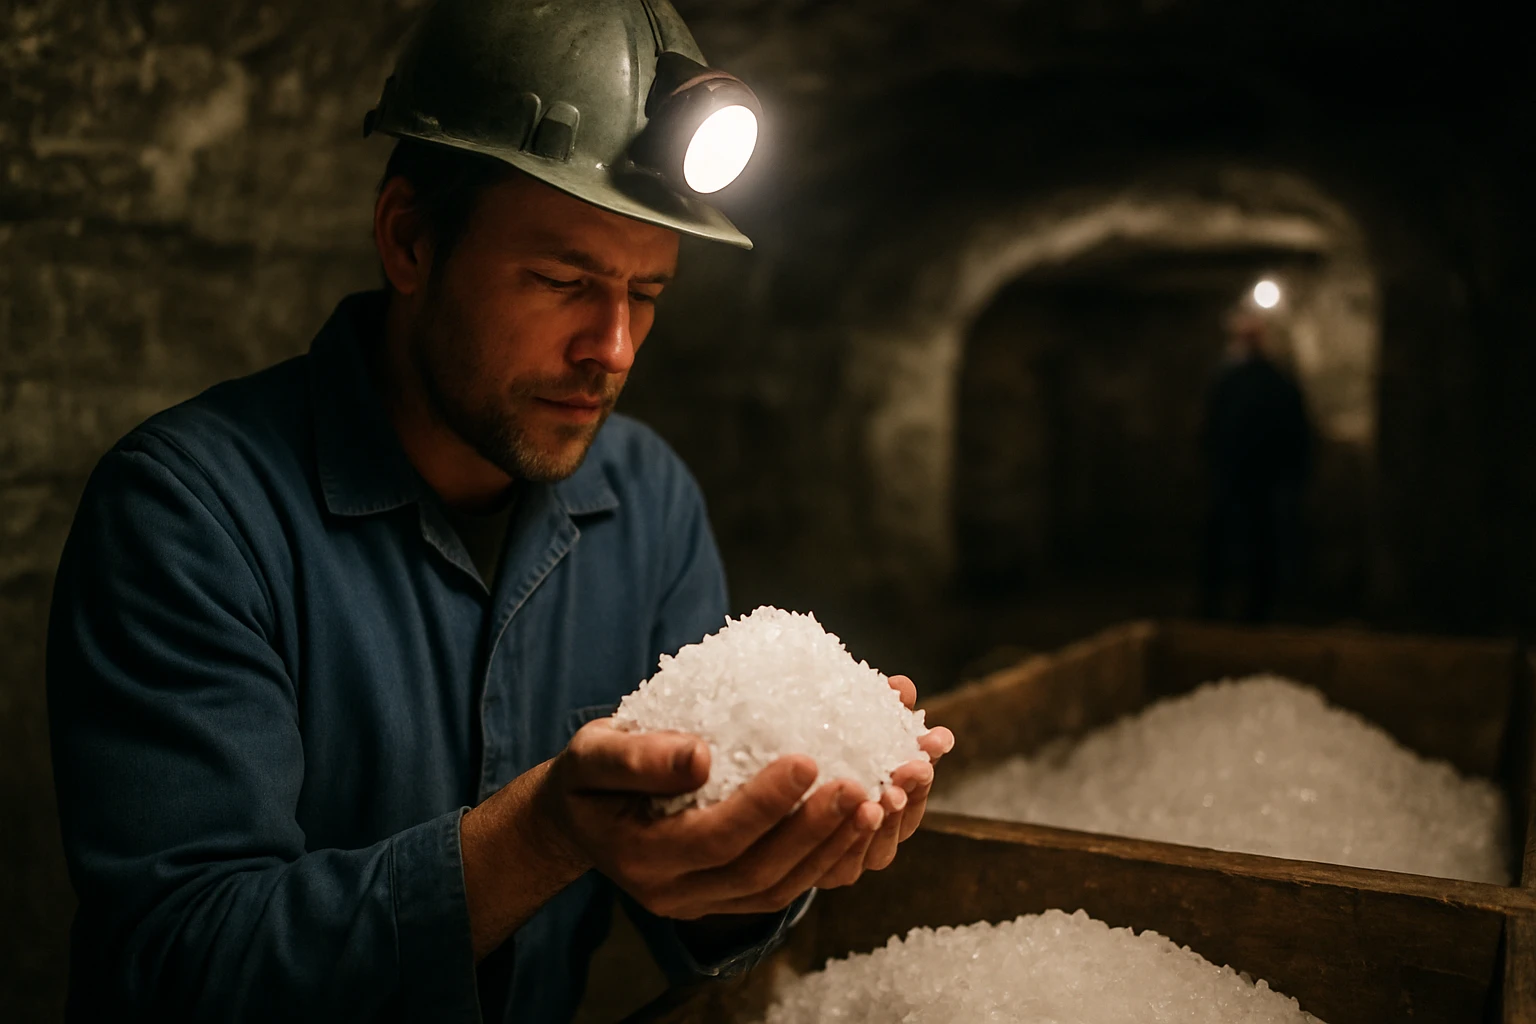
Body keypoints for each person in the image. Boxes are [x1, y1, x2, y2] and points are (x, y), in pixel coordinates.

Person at [45, 2, 953, 1020]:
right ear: (409, 242)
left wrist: (773, 859)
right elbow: (182, 963)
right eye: (563, 280)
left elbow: (679, 889)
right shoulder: (188, 513)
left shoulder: (648, 502)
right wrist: (542, 833)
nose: (611, 346)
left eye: (646, 294)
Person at [1199, 308, 1312, 623]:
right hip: (1242, 477)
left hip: (1257, 478)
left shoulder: (1264, 381)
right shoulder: (1238, 380)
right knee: (1231, 544)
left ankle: (1247, 613)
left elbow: (1295, 431)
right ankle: (1219, 610)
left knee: (1258, 547)